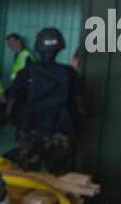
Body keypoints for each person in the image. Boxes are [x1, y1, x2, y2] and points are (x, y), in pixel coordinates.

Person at [7, 26, 82, 174]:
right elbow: (79, 104)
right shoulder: (69, 73)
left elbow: (12, 100)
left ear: (38, 48)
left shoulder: (27, 71)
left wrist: (11, 118)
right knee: (59, 173)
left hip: (31, 130)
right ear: (60, 48)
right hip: (59, 132)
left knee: (27, 173)